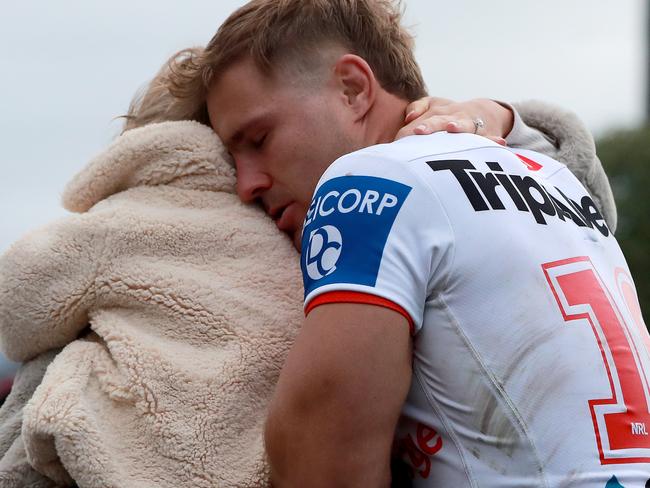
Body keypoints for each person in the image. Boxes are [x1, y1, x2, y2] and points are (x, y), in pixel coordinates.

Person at [166, 0, 649, 486]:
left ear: (352, 88)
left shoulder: (367, 183)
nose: (245, 184)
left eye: (259, 138)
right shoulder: (553, 175)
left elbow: (323, 468)